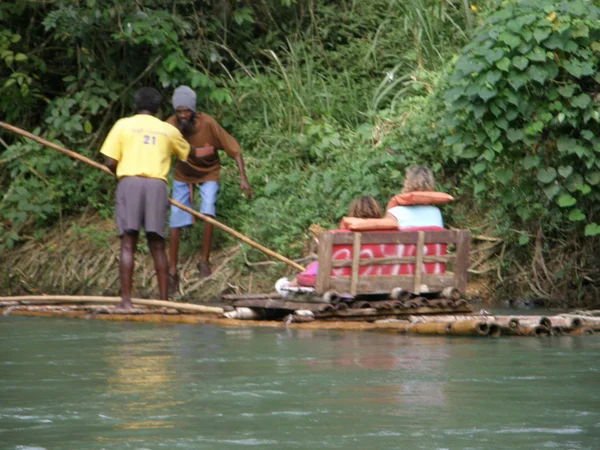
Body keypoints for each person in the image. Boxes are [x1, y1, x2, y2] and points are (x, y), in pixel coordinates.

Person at [100, 87, 191, 309]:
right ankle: (164, 302)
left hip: (129, 183)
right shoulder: (167, 129)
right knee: (157, 244)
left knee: (128, 243)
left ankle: (126, 302)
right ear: (158, 109)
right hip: (156, 186)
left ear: (135, 106)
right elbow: (185, 154)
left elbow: (110, 164)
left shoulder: (123, 125)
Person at [166, 86, 253, 294]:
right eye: (179, 112)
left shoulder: (208, 124)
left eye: (186, 111)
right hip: (183, 175)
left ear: (194, 110)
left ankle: (204, 262)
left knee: (207, 211)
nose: (183, 116)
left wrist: (243, 178)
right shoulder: (170, 126)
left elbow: (234, 150)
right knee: (176, 218)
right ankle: (171, 271)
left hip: (208, 173)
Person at [275, 196, 383, 294]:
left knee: (316, 265)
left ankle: (289, 286)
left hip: (344, 279)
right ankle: (291, 284)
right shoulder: (387, 233)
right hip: (376, 277)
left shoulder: (343, 236)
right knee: (316, 265)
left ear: (352, 212)